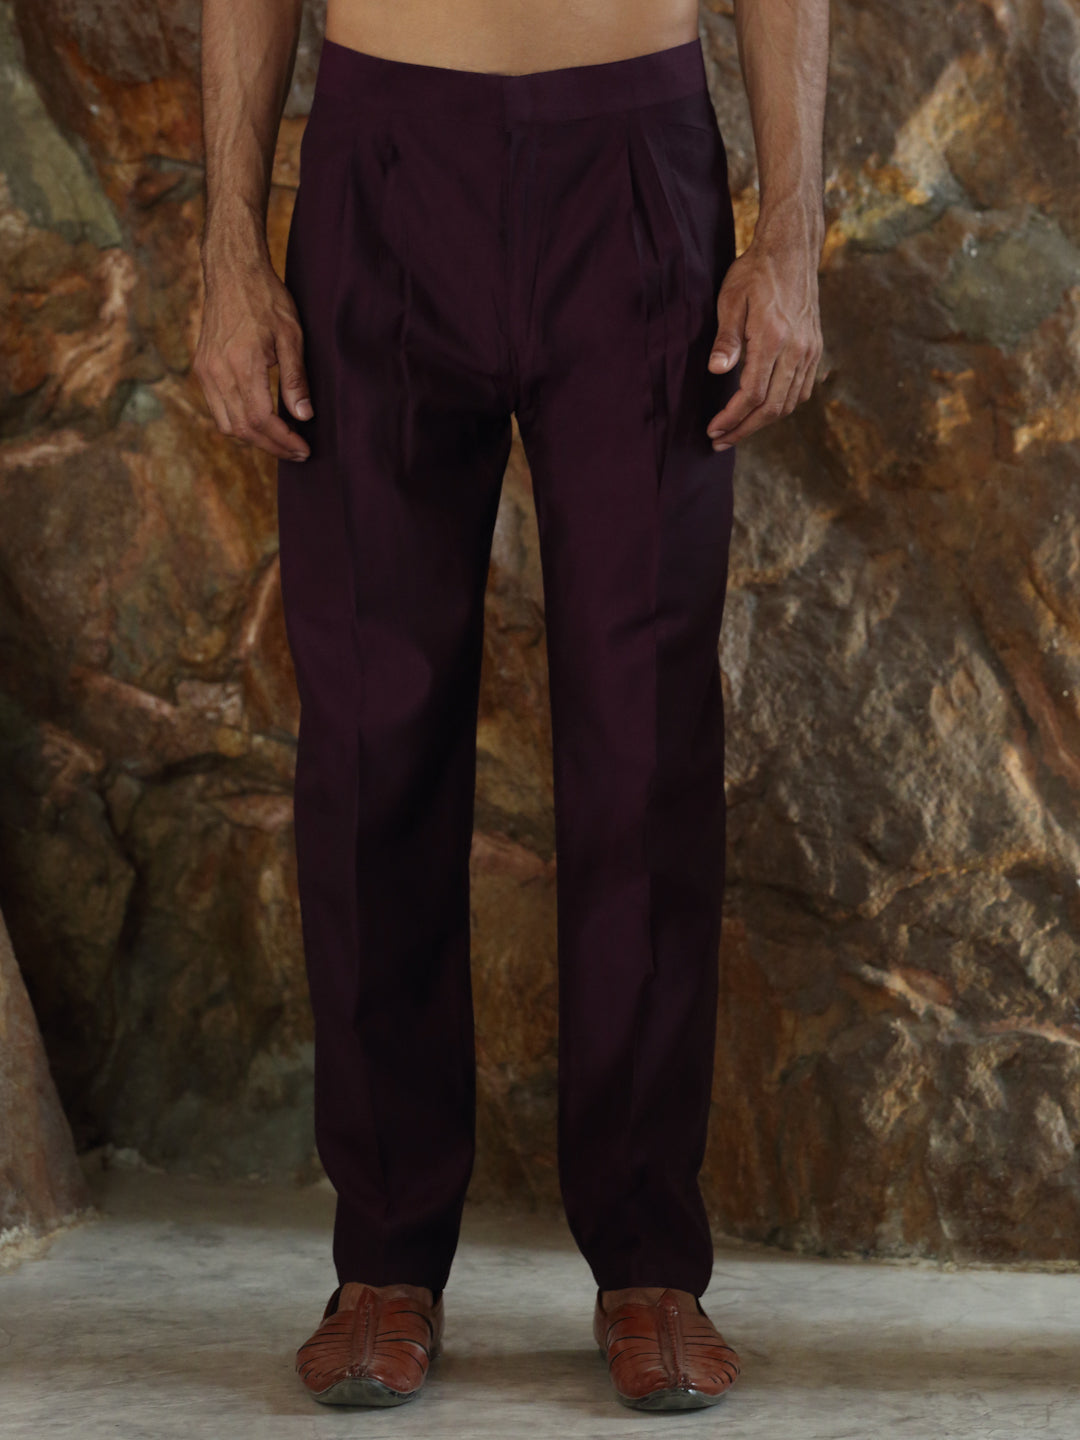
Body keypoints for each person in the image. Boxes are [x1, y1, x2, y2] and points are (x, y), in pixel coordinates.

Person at [194, 0, 827, 1413]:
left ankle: (650, 1260)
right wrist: (230, 250)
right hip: (382, 162)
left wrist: (790, 237)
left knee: (647, 739)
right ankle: (384, 1258)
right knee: (370, 734)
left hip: (635, 159)